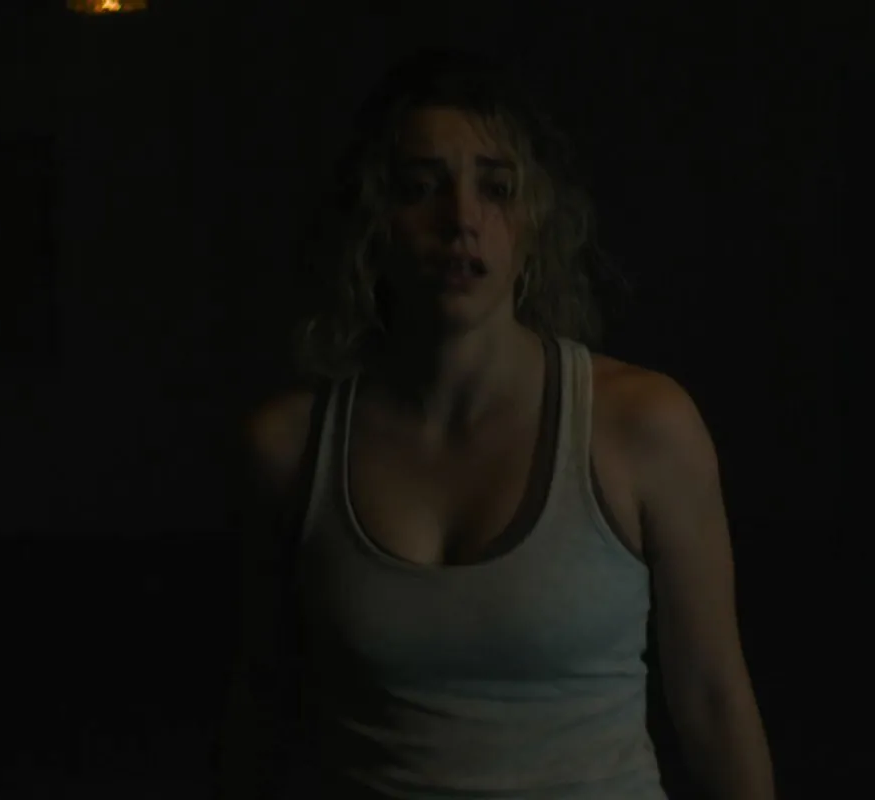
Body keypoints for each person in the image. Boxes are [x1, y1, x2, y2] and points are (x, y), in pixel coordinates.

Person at [218, 47, 773, 799]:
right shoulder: (290, 447)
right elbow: (262, 705)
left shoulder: (641, 426)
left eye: (497, 188)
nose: (461, 220)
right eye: (420, 188)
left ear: (535, 221)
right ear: (373, 221)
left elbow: (712, 700)